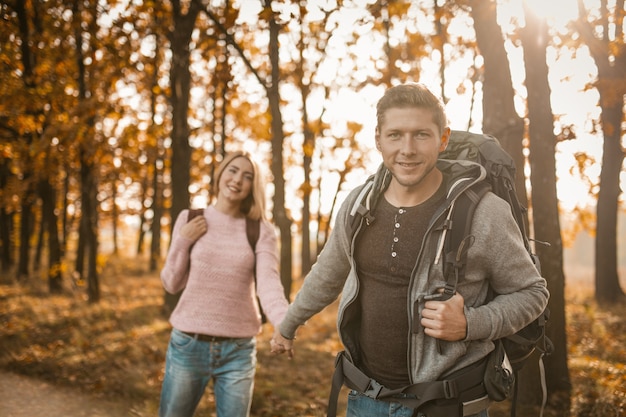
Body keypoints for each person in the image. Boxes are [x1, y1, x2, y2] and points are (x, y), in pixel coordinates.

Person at [270, 83, 549, 417]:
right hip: (365, 399)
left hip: (445, 405)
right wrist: (288, 325)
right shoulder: (359, 204)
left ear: (442, 139)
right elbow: (328, 273)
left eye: (421, 135)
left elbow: (532, 292)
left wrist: (471, 323)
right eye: (395, 135)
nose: (407, 149)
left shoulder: (483, 212)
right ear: (378, 139)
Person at [159, 151, 289, 417]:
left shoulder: (261, 230)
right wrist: (183, 240)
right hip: (188, 345)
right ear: (220, 174)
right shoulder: (189, 218)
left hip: (237, 351)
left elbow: (268, 283)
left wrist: (285, 323)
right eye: (232, 170)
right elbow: (171, 283)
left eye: (247, 176)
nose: (237, 179)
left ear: (254, 186)